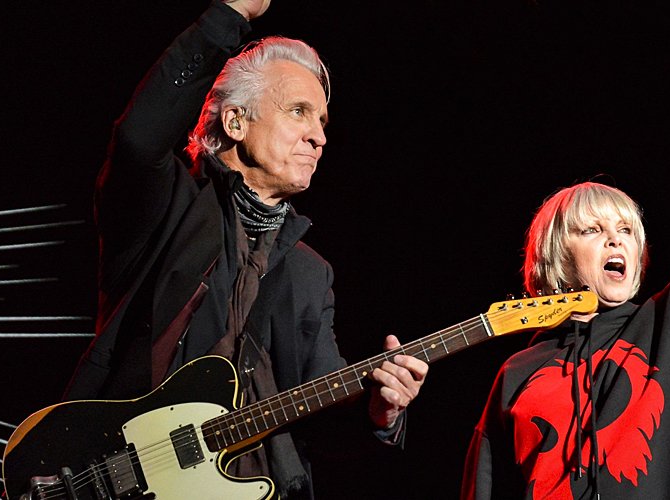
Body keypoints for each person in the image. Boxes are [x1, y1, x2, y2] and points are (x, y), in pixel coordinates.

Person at [63, 1, 428, 498]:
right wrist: (229, 14)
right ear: (235, 121)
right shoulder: (168, 209)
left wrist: (379, 411)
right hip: (118, 477)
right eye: (299, 112)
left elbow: (318, 414)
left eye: (322, 120)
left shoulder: (309, 272)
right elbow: (139, 138)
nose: (319, 136)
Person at [461, 1, 670, 498]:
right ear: (555, 256)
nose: (615, 239)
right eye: (592, 230)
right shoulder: (515, 375)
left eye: (626, 230)